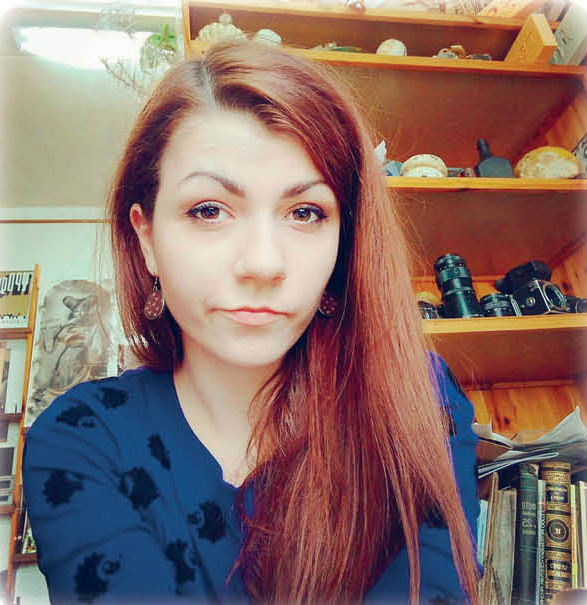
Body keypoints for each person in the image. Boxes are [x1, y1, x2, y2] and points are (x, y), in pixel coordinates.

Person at [23, 39, 481, 605]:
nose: (263, 264)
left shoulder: (417, 397)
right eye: (209, 210)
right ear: (146, 239)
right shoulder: (82, 441)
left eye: (305, 213)